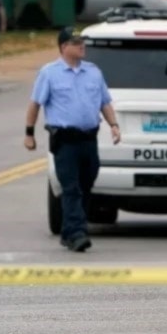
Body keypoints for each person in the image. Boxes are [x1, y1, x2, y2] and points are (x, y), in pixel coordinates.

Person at [23, 27, 121, 252]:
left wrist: (114, 125)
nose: (81, 45)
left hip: (89, 140)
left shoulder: (94, 72)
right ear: (63, 47)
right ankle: (78, 233)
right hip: (65, 141)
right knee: (71, 188)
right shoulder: (50, 73)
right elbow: (35, 104)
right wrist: (29, 134)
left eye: (82, 42)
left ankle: (68, 232)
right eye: (76, 42)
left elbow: (104, 102)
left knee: (86, 185)